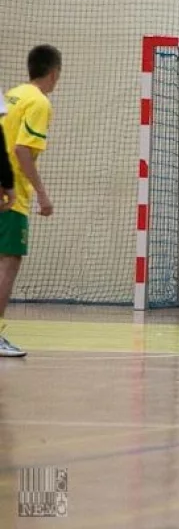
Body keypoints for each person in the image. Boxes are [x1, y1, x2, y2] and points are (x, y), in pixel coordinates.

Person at [0, 45, 62, 358]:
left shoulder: (12, 94)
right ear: (54, 73)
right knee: (8, 263)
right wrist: (42, 192)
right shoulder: (39, 102)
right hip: (10, 195)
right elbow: (22, 150)